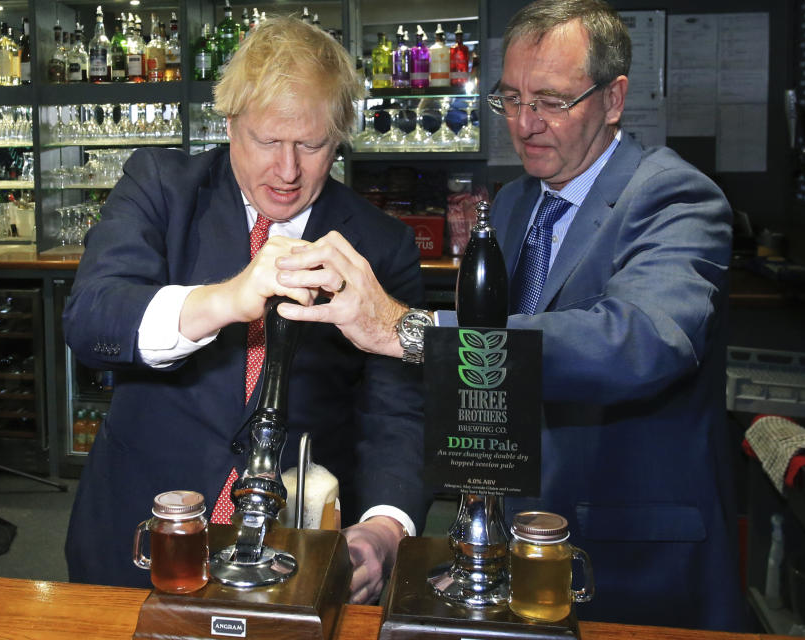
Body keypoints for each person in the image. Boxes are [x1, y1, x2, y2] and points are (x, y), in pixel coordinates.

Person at [274, 0, 744, 630]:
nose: (526, 124)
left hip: (630, 559)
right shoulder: (517, 203)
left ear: (613, 99)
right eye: (512, 99)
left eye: (552, 101)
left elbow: (640, 342)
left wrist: (411, 332)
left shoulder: (674, 196)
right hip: (519, 548)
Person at [62, 15, 427, 605]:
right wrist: (228, 299)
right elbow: (92, 319)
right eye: (267, 141)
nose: (287, 172)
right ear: (229, 124)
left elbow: (398, 412)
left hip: (301, 549)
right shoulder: (159, 185)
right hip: (143, 534)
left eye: (311, 146)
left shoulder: (382, 245)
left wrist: (386, 530)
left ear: (338, 138)